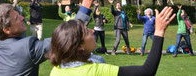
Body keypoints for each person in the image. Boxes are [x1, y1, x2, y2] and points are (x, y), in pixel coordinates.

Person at [0, 0, 109, 76]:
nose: (22, 18)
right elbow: (69, 36)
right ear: (6, 30)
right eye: (17, 18)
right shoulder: (27, 47)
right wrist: (86, 2)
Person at [48, 6, 176, 76]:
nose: (92, 31)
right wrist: (159, 32)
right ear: (79, 45)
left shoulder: (56, 71)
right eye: (87, 31)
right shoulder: (96, 71)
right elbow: (147, 72)